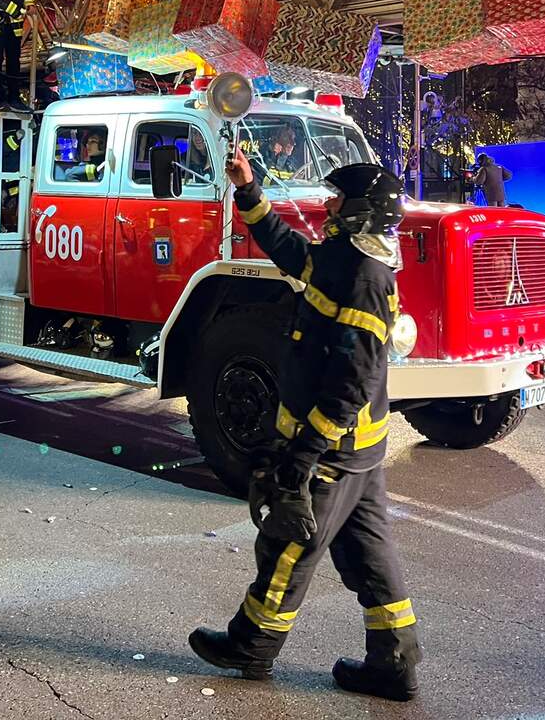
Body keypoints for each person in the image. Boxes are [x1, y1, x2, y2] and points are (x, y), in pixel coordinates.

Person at [190, 147, 421, 702]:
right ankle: (394, 661)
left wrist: (305, 452)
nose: (330, 204)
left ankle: (251, 646)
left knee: (290, 544)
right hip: (356, 449)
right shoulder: (343, 257)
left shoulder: (367, 277)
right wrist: (248, 191)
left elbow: (353, 381)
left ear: (361, 209)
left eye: (339, 198)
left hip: (335, 447)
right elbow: (293, 253)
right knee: (368, 553)